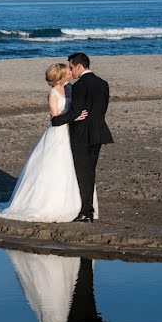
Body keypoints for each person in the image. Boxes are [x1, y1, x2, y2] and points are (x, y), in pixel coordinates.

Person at [0, 63, 93, 222]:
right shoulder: (53, 93)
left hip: (72, 132)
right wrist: (74, 117)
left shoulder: (70, 88)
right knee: (55, 166)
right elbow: (56, 117)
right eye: (66, 71)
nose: (70, 72)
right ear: (60, 75)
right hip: (58, 133)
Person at [50, 53, 114, 222]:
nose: (71, 71)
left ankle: (86, 211)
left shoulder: (79, 86)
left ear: (79, 66)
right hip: (99, 133)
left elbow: (76, 112)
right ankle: (87, 209)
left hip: (82, 135)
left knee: (83, 174)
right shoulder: (103, 84)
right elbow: (101, 110)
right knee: (90, 172)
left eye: (71, 67)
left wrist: (57, 120)